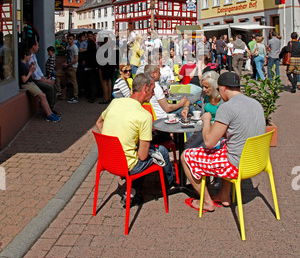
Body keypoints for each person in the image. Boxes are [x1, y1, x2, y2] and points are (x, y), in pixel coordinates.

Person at [181, 72, 265, 212]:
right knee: (226, 145)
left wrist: (206, 120)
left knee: (185, 156)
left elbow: (208, 142)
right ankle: (224, 195)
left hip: (236, 165)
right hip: (256, 161)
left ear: (223, 88)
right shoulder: (255, 103)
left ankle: (207, 202)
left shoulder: (226, 107)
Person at [96, 73, 176, 206]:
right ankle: (169, 183)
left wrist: (114, 142)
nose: (154, 94)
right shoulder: (144, 116)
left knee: (141, 150)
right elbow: (143, 156)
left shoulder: (115, 102)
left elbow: (99, 123)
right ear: (145, 88)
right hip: (127, 165)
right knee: (160, 151)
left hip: (108, 159)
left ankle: (133, 191)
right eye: (153, 90)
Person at [184, 71, 222, 150]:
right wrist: (186, 108)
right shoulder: (204, 94)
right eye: (203, 87)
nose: (204, 89)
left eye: (206, 87)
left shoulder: (223, 98)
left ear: (214, 86)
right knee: (187, 147)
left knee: (202, 149)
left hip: (219, 132)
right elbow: (189, 100)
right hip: (204, 128)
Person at [19, 49, 61, 122]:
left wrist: (31, 68)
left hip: (30, 83)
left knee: (43, 96)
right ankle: (48, 114)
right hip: (27, 84)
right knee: (43, 96)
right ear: (25, 56)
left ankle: (50, 113)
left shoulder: (25, 64)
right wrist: (30, 71)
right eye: (29, 56)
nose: (30, 58)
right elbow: (24, 80)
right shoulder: (21, 65)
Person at [28, 40, 58, 113]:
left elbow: (38, 70)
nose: (38, 47)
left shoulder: (34, 56)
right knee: (50, 87)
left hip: (40, 78)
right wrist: (46, 81)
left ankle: (51, 106)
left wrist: (45, 78)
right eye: (37, 45)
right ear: (33, 46)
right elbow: (34, 75)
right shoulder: (29, 57)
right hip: (34, 81)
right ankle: (48, 109)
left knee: (54, 86)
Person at [55, 33, 79, 103]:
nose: (69, 40)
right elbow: (68, 57)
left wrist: (68, 64)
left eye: (70, 39)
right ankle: (59, 90)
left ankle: (75, 97)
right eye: (68, 39)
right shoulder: (68, 46)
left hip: (72, 67)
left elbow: (76, 59)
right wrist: (65, 63)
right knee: (57, 74)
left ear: (73, 39)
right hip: (67, 66)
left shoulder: (75, 47)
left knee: (74, 82)